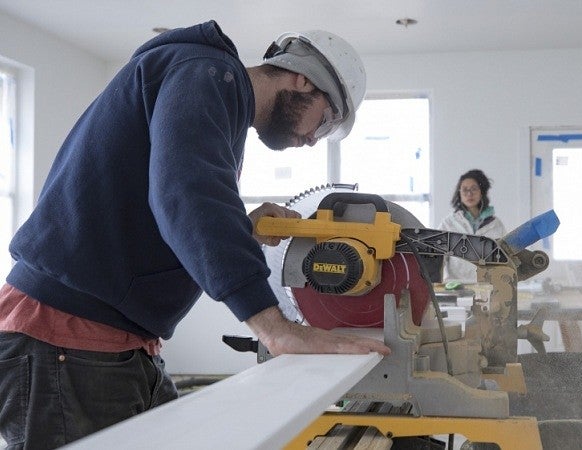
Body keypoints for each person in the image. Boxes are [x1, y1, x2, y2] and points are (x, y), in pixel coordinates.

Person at [0, 20, 390, 449]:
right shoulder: (205, 72)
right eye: (327, 119)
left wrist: (242, 228)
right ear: (303, 79)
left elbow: (164, 207)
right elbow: (186, 195)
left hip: (113, 344)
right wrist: (275, 327)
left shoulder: (214, 93)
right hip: (66, 338)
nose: (316, 140)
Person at [439, 169, 507, 282]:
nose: (469, 194)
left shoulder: (496, 224)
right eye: (465, 190)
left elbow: (505, 256)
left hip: (488, 286)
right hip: (456, 287)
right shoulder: (448, 223)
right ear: (459, 193)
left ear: (482, 191)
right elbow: (438, 257)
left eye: (474, 189)